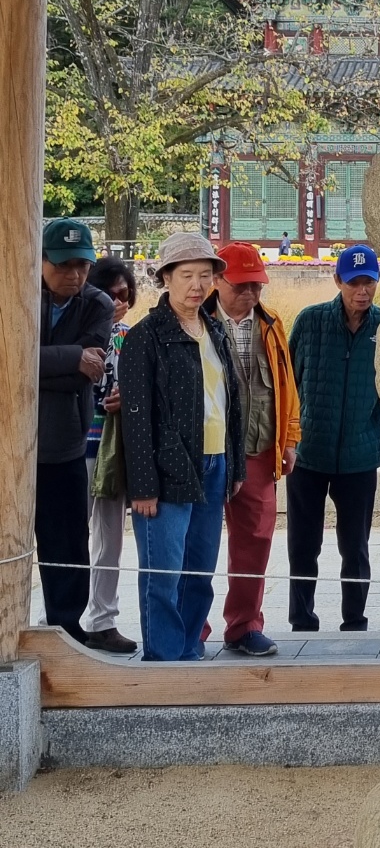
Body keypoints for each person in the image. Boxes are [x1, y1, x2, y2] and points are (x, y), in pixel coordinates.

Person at [120, 234, 245, 661]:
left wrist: (235, 467)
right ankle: (163, 661)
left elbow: (231, 403)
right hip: (167, 467)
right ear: (166, 279)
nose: (197, 285)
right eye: (187, 275)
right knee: (163, 574)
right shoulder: (146, 336)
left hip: (215, 462)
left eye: (205, 276)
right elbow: (136, 416)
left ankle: (189, 652)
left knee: (200, 572)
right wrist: (143, 485)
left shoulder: (215, 330)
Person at [202, 241, 300, 656]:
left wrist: (290, 438)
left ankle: (244, 626)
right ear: (218, 281)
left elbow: (286, 386)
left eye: (256, 285)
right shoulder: (196, 320)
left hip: (258, 449)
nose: (250, 293)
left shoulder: (271, 324)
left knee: (256, 538)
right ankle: (192, 628)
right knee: (198, 539)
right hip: (207, 450)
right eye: (240, 285)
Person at [287, 243, 380, 631]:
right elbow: (289, 385)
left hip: (360, 455)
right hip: (309, 454)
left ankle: (355, 620)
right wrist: (289, 439)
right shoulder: (310, 322)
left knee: (356, 547)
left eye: (369, 282)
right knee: (303, 544)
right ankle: (301, 620)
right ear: (337, 281)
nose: (362, 291)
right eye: (354, 283)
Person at [38, 219, 114, 643]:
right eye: (63, 265)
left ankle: (66, 630)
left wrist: (39, 362)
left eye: (82, 266)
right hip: (10, 444)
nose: (74, 275)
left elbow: (85, 374)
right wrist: (71, 357)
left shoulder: (98, 304)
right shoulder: (14, 290)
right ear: (41, 261)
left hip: (64, 444)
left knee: (67, 542)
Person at [82, 256, 138, 653]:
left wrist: (129, 396)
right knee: (69, 535)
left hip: (114, 448)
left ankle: (103, 619)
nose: (118, 302)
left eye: (125, 294)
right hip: (76, 446)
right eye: (110, 293)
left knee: (110, 537)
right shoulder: (80, 330)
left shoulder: (133, 337)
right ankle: (59, 616)